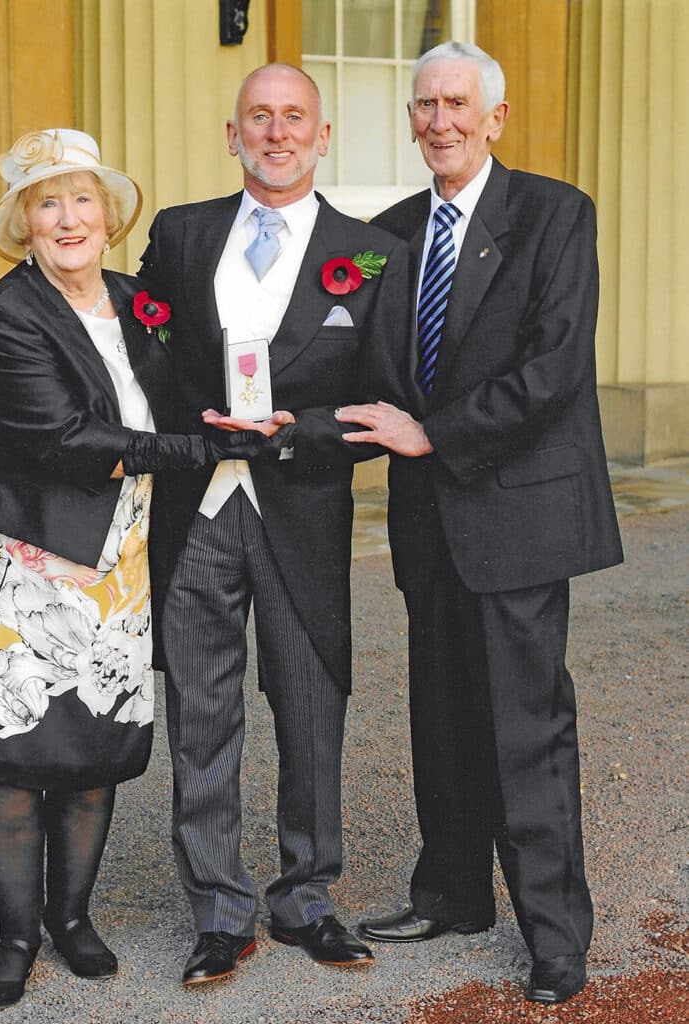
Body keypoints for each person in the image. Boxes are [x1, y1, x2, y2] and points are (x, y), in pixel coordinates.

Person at [0, 128, 265, 1010]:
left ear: (110, 218)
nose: (68, 218)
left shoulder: (137, 299)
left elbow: (198, 368)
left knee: (91, 746)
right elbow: (71, 441)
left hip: (119, 560)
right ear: (25, 225)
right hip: (21, 561)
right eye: (48, 204)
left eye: (82, 200)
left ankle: (72, 920)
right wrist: (207, 447)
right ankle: (15, 936)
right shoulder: (6, 313)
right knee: (9, 753)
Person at [335, 41, 623, 1005]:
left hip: (517, 511)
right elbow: (339, 361)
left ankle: (554, 933)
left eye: (458, 104)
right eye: (424, 105)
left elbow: (551, 369)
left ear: (494, 117)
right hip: (428, 521)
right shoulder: (386, 233)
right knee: (443, 714)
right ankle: (453, 893)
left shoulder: (553, 213)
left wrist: (431, 435)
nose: (440, 121)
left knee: (526, 726)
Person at [137, 63, 410, 985]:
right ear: (232, 133)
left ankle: (307, 896)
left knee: (308, 706)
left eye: (295, 117)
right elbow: (130, 351)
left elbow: (390, 403)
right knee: (199, 716)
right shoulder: (178, 235)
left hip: (299, 509)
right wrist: (10, 398)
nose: (277, 132)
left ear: (322, 135)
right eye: (260, 117)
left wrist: (309, 429)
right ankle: (218, 909)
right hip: (197, 509)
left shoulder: (367, 252)